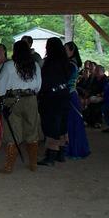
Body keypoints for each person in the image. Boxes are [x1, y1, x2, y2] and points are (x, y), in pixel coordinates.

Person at [0, 40, 42, 173]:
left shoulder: (9, 65)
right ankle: (33, 164)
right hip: (31, 99)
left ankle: (9, 166)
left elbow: (1, 85)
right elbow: (38, 85)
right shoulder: (35, 65)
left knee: (12, 132)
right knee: (32, 130)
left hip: (13, 101)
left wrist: (1, 97)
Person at [37, 37, 72, 166]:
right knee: (62, 125)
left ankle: (51, 155)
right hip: (64, 94)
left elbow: (45, 81)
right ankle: (61, 153)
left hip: (52, 97)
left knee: (51, 125)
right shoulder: (66, 62)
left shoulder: (50, 63)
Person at [64, 41, 90, 159]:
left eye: (65, 49)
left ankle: (74, 149)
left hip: (70, 95)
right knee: (72, 122)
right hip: (71, 94)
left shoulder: (71, 64)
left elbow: (66, 80)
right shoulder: (72, 63)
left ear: (71, 51)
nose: (64, 52)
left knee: (72, 123)